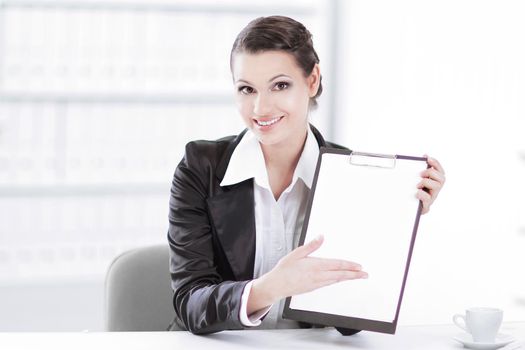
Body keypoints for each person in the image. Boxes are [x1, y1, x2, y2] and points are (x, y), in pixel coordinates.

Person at [167, 15, 445, 335]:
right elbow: (190, 302)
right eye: (247, 89)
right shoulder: (201, 167)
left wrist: (391, 222)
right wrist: (268, 288)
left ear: (312, 81)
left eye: (280, 85)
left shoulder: (349, 176)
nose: (261, 108)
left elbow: (350, 321)